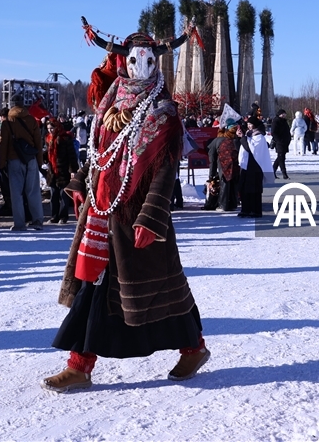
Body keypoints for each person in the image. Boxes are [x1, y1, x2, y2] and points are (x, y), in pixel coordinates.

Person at [42, 22, 208, 392]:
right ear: (124, 62)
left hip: (137, 216)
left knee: (159, 291)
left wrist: (151, 217)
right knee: (96, 286)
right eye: (134, 61)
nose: (140, 68)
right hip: (104, 209)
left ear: (156, 63)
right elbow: (100, 151)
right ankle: (80, 365)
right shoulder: (111, 102)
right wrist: (81, 180)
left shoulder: (163, 111)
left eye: (148, 61)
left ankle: (193, 347)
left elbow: (165, 170)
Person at [1, 94, 44, 231]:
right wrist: (39, 161)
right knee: (33, 191)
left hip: (14, 160)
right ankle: (37, 220)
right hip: (30, 159)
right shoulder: (31, 120)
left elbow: (3, 144)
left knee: (16, 193)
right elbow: (38, 142)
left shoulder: (7, 122)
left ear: (11, 104)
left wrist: (2, 164)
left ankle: (19, 224)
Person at [237, 117, 273, 218]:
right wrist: (241, 137)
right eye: (248, 124)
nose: (249, 126)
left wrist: (242, 138)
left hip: (256, 166)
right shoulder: (249, 135)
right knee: (244, 188)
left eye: (250, 124)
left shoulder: (259, 136)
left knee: (254, 189)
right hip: (246, 165)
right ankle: (246, 209)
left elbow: (250, 148)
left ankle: (255, 210)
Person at [45, 118, 79, 224]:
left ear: (57, 127)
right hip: (52, 171)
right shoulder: (48, 139)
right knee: (53, 195)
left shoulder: (65, 138)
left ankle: (63, 217)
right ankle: (54, 216)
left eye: (52, 128)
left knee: (64, 195)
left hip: (64, 171)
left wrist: (73, 170)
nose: (50, 130)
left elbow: (71, 156)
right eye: (48, 128)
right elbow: (48, 154)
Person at [270, 109, 291, 179]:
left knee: (280, 157)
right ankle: (284, 174)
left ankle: (273, 171)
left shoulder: (284, 121)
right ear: (279, 114)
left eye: (284, 114)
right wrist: (278, 140)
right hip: (279, 142)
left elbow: (287, 131)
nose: (284, 115)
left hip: (285, 142)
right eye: (282, 114)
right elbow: (273, 132)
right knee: (281, 158)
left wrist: (288, 139)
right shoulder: (276, 121)